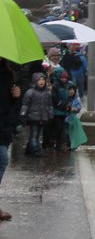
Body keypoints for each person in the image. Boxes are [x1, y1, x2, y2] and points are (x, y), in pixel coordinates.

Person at [0, 60, 22, 221]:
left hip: (3, 127)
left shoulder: (7, 73)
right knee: (2, 159)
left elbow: (11, 105)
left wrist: (16, 95)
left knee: (2, 161)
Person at [20, 73, 52, 157]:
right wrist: (23, 115)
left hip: (43, 117)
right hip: (33, 117)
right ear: (35, 81)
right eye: (39, 80)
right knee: (34, 134)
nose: (41, 82)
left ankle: (32, 148)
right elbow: (25, 105)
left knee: (39, 135)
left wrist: (50, 116)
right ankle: (36, 150)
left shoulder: (47, 93)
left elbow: (49, 106)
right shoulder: (30, 92)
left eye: (43, 80)